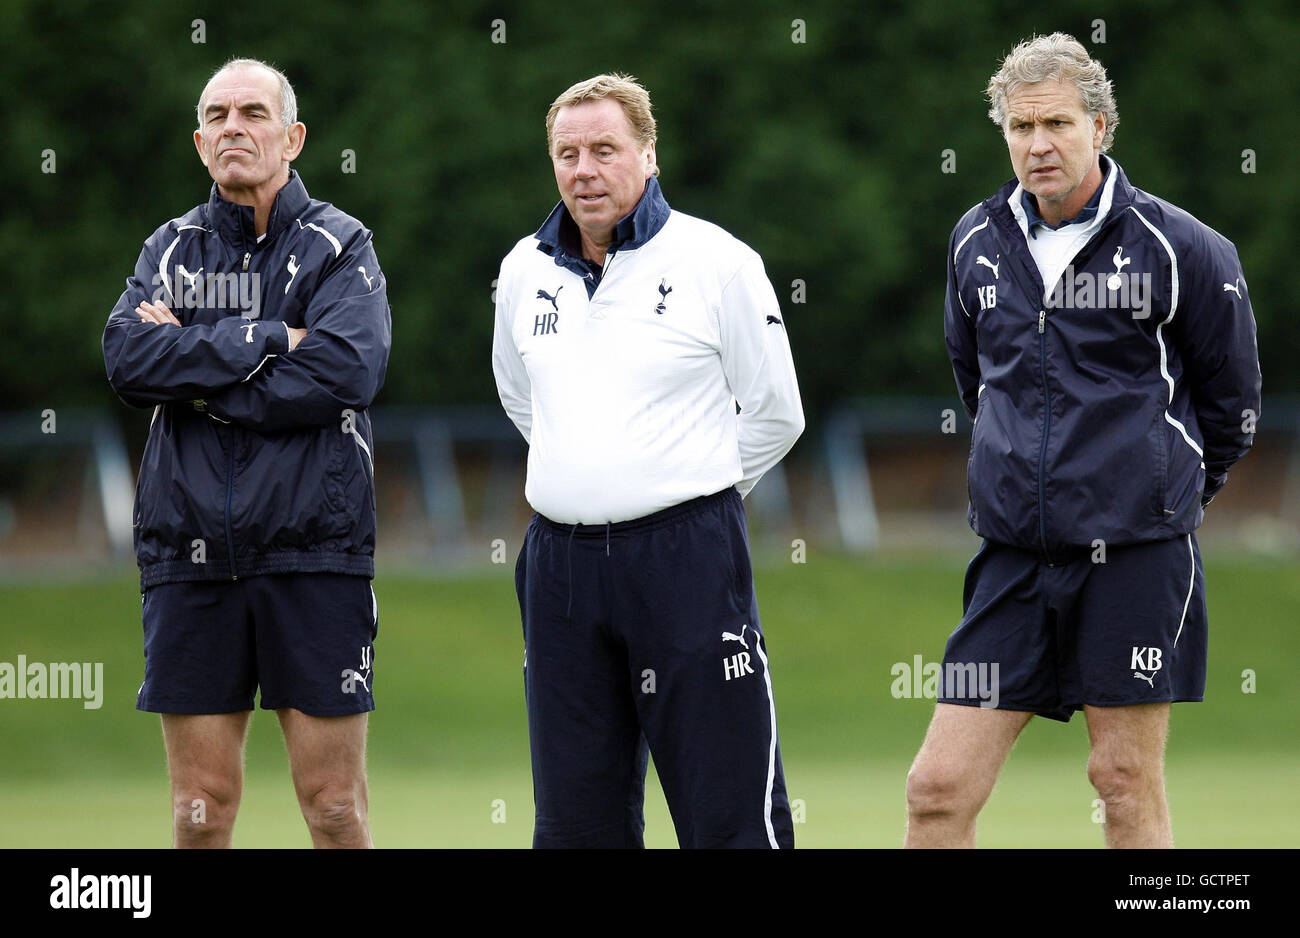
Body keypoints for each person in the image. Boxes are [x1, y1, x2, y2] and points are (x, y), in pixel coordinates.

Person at [907, 33, 1261, 848]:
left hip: (1136, 555)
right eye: (1021, 127)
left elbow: (1232, 404)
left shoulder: (1185, 249)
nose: (1039, 145)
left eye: (1058, 123)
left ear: (1101, 128)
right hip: (1011, 563)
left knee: (1124, 784)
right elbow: (979, 381)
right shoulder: (975, 240)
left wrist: (1158, 492)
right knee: (935, 788)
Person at [492, 73, 804, 848]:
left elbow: (775, 412)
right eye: (567, 153)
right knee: (575, 822)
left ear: (648, 154)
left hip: (688, 559)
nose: (584, 170)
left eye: (605, 149)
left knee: (727, 810)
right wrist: (590, 469)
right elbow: (521, 398)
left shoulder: (716, 261)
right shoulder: (523, 270)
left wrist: (685, 484)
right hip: (559, 569)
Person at [102, 58, 391, 848]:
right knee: (200, 813)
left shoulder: (342, 245)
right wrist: (269, 338)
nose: (235, 126)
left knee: (335, 809)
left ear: (291, 137)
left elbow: (345, 372)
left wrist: (192, 369)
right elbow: (128, 361)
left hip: (315, 552)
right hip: (189, 556)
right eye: (218, 115)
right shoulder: (170, 249)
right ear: (201, 144)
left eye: (254, 113)